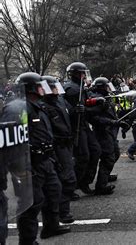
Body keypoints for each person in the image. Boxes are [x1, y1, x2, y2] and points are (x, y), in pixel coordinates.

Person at [15, 72, 71, 244]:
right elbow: (16, 136)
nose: (43, 89)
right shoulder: (21, 109)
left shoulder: (39, 106)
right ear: (31, 88)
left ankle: (51, 226)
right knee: (32, 203)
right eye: (40, 85)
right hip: (30, 163)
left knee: (54, 191)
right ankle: (27, 240)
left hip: (46, 159)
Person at [42, 76, 77, 223]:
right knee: (66, 179)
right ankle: (62, 213)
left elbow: (71, 112)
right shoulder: (44, 107)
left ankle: (61, 211)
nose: (58, 89)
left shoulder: (61, 101)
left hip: (67, 144)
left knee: (66, 178)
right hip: (57, 146)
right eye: (54, 87)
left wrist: (79, 109)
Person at [63, 62, 101, 195]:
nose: (85, 76)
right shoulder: (71, 89)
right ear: (77, 74)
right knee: (82, 156)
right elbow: (67, 109)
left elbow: (85, 105)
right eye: (83, 73)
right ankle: (72, 186)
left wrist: (96, 103)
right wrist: (78, 110)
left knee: (95, 151)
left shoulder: (80, 88)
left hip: (84, 125)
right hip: (76, 127)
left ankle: (85, 182)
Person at [87, 77, 126, 195]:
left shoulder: (105, 98)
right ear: (102, 87)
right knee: (108, 157)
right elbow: (94, 118)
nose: (109, 89)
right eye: (107, 86)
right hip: (102, 132)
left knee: (115, 153)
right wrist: (112, 122)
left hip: (109, 130)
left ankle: (105, 175)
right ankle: (101, 186)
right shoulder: (97, 99)